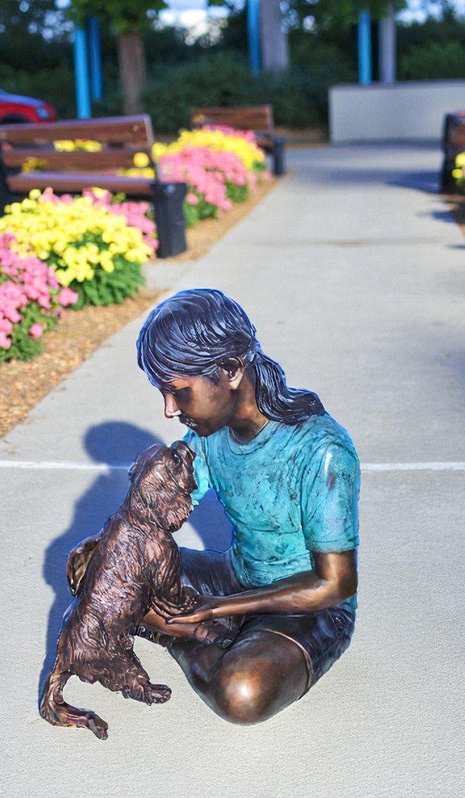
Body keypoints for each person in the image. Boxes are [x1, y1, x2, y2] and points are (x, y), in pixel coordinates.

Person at [135, 288, 360, 725]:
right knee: (97, 565)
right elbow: (153, 514)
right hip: (237, 578)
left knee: (242, 693)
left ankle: (185, 637)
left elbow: (336, 585)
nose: (168, 410)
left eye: (179, 392)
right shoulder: (206, 433)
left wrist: (215, 609)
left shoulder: (322, 449)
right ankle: (208, 630)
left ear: (231, 370)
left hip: (309, 608)